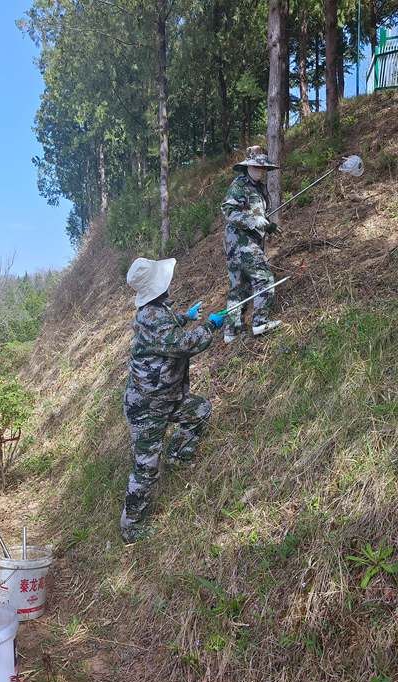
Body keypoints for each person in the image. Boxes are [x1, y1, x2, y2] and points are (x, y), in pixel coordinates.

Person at [120, 257, 226, 544]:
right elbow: (183, 344)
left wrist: (185, 317)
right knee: (146, 469)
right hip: (146, 409)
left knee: (199, 410)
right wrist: (210, 326)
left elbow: (166, 331)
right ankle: (131, 527)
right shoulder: (153, 317)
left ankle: (178, 455)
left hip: (165, 398)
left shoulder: (153, 312)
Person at [220, 146, 282, 344]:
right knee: (263, 277)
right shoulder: (239, 185)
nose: (260, 170)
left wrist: (268, 225)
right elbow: (229, 211)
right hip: (240, 242)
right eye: (256, 166)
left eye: (262, 168)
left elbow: (259, 214)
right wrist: (253, 221)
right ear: (247, 166)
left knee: (240, 285)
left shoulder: (259, 187)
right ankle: (260, 322)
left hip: (250, 241)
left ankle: (231, 331)